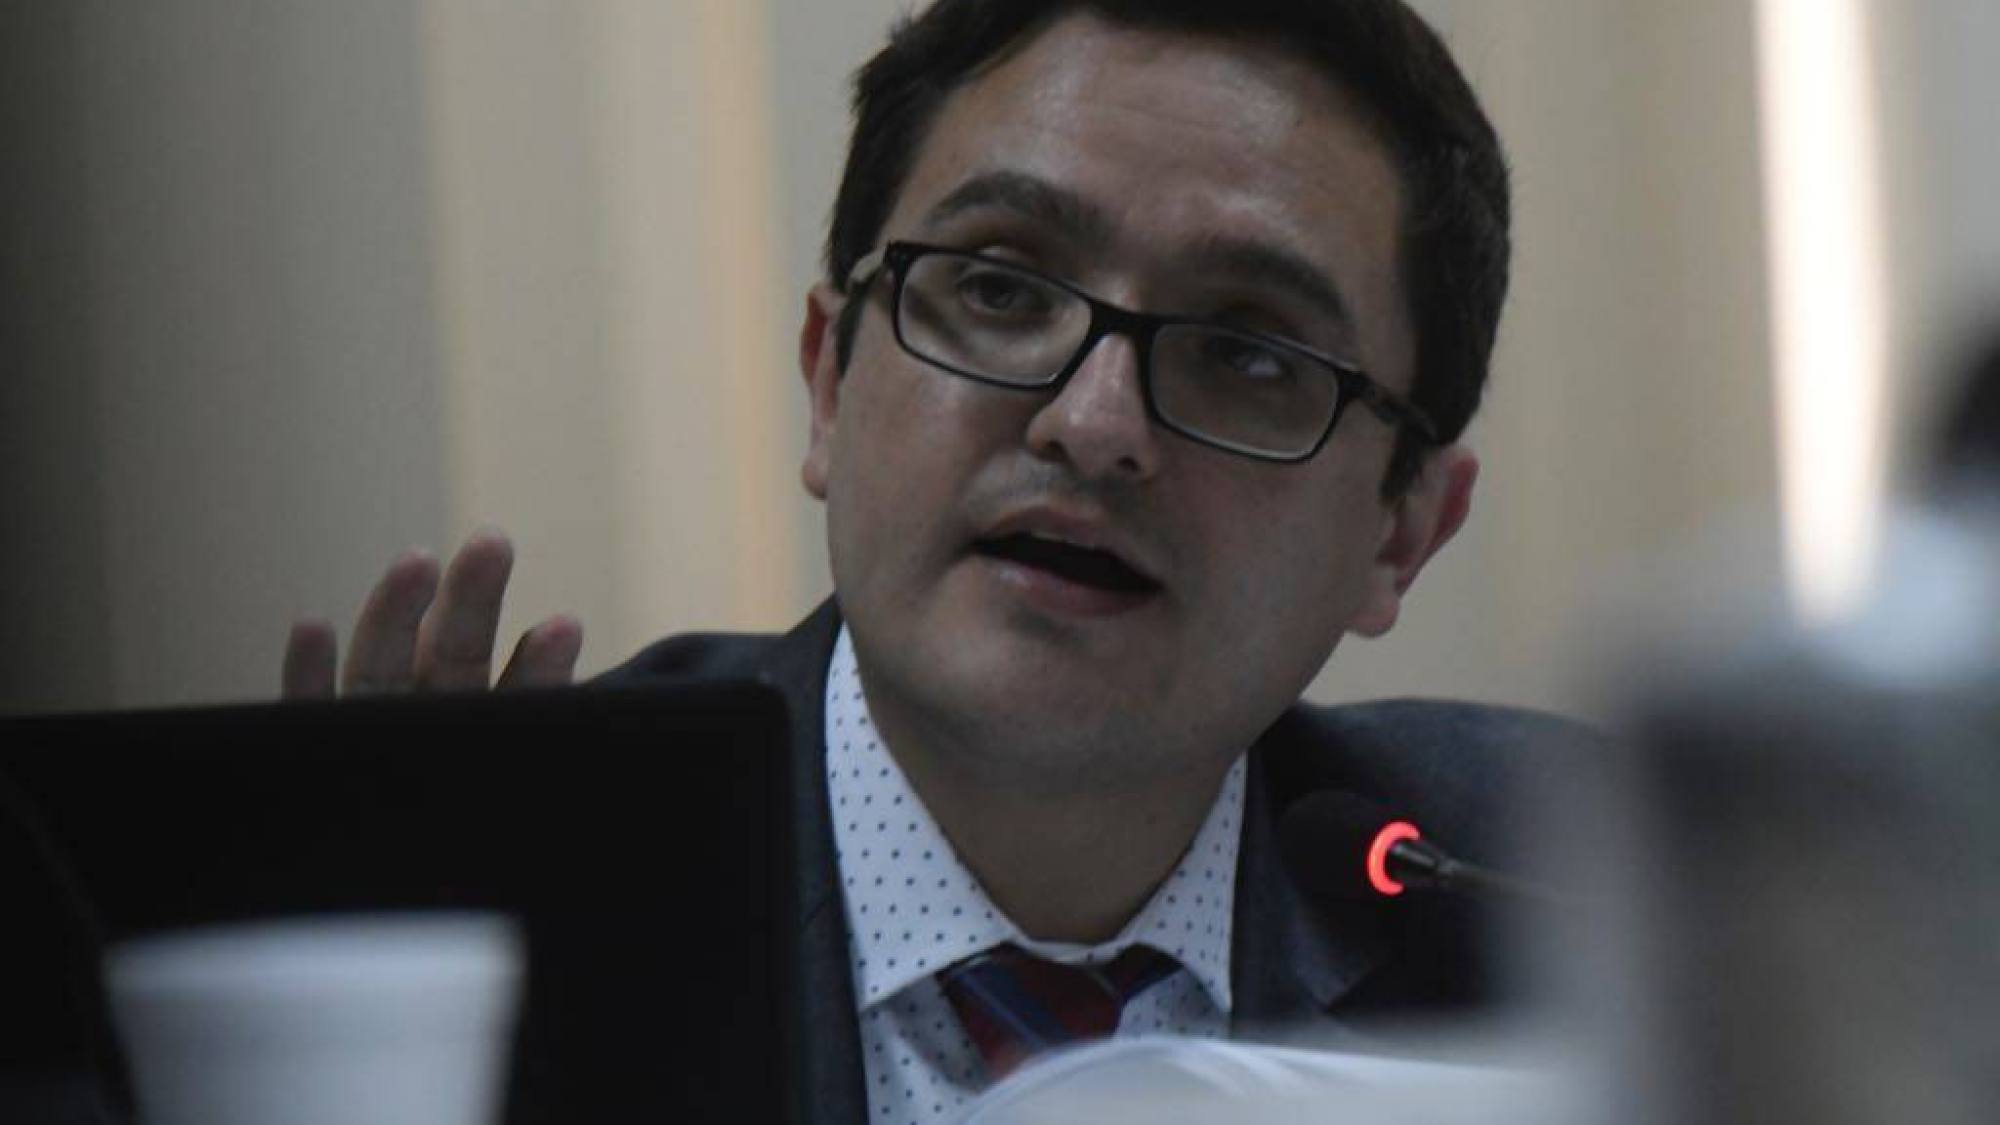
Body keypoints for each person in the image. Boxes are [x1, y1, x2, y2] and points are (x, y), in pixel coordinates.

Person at [284, 2, 1584, 1122]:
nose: (1093, 424)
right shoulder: (524, 908)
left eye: (1248, 353)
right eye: (1001, 289)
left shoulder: (1573, 905)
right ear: (829, 384)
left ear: (1402, 530)